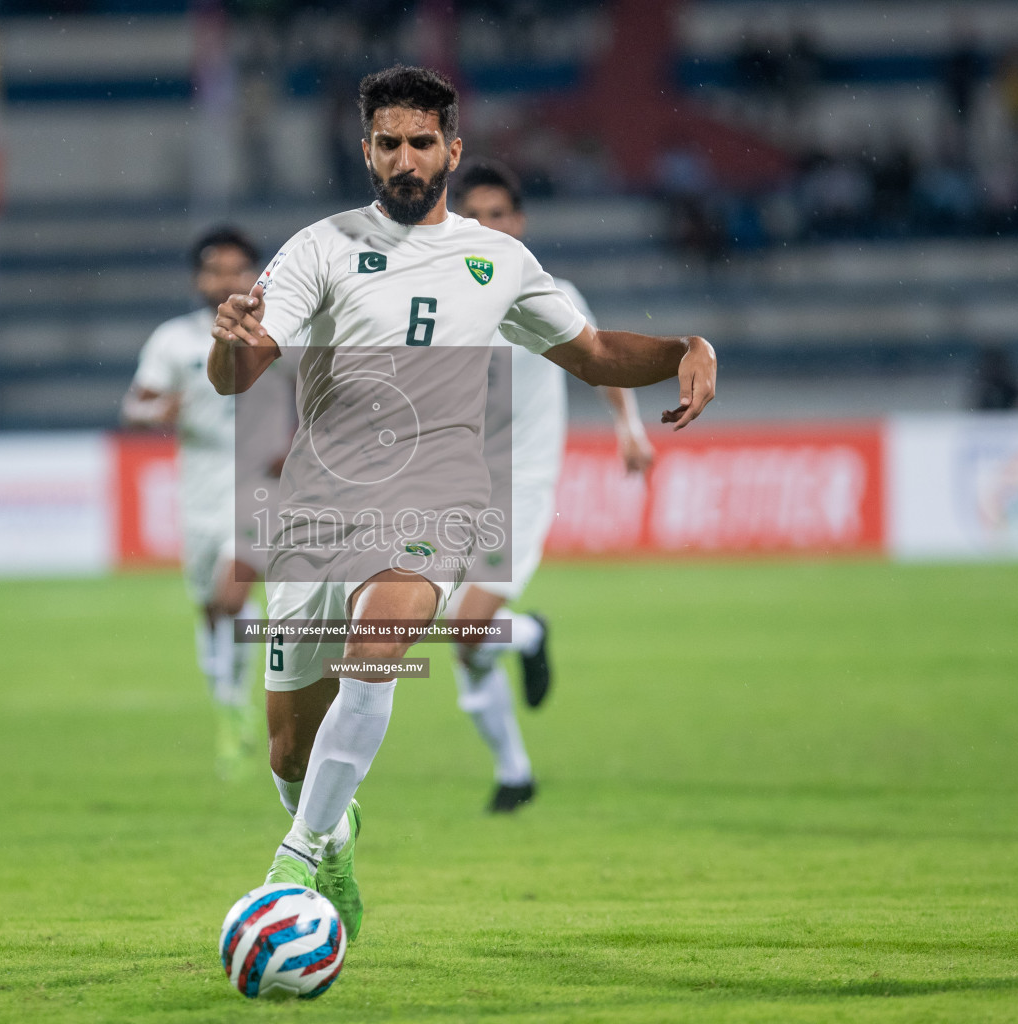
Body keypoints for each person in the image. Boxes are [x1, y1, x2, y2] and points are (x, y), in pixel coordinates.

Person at [209, 65, 717, 942]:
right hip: (319, 511)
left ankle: (294, 859)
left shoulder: (498, 259)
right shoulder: (321, 247)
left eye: (420, 143)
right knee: (290, 750)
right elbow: (238, 373)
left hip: (437, 496)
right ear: (366, 149)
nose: (405, 160)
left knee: (384, 643)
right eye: (387, 144)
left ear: (452, 148)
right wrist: (233, 345)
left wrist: (684, 348)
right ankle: (330, 825)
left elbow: (593, 353)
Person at [448, 159, 655, 812]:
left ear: (520, 221)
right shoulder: (435, 298)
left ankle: (525, 643)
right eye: (473, 215)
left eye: (498, 213)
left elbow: (601, 362)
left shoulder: (550, 292)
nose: (487, 225)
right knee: (467, 646)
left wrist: (629, 428)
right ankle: (516, 768)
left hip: (520, 485)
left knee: (465, 627)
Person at [125, 227, 280, 780]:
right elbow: (136, 403)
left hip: (264, 482)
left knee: (232, 594)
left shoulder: (281, 330)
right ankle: (228, 702)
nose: (227, 280)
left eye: (239, 269)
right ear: (198, 278)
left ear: (257, 274)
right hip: (202, 483)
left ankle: (242, 704)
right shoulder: (174, 340)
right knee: (210, 607)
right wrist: (157, 411)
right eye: (216, 270)